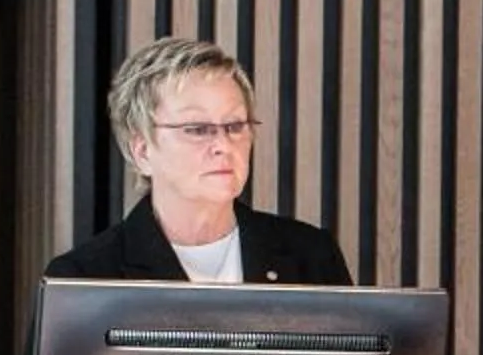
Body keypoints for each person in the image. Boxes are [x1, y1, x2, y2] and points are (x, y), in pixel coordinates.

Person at [44, 37, 351, 285]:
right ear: (142, 151)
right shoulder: (85, 278)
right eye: (197, 129)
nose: (222, 145)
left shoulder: (311, 256)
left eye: (234, 126)